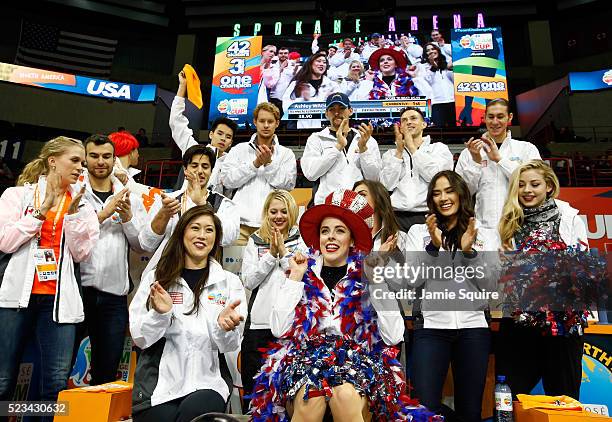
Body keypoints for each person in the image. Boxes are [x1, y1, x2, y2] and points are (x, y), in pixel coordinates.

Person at [249, 189, 437, 421]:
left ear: (351, 239)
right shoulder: (300, 270)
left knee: (345, 394)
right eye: (325, 231)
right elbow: (279, 330)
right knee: (311, 396)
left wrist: (375, 280)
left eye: (340, 231)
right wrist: (294, 279)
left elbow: (394, 335)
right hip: (305, 363)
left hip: (359, 364)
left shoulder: (369, 272)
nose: (331, 237)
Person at [0, 137, 99, 414]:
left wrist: (75, 214)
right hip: (15, 299)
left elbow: (82, 254)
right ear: (52, 161)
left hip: (58, 301)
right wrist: (42, 211)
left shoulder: (82, 203)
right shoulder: (17, 196)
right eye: (75, 160)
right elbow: (5, 241)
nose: (82, 167)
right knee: (2, 380)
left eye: (83, 162)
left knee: (55, 384)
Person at [130, 205, 247, 422]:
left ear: (216, 238)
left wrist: (223, 326)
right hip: (158, 387)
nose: (202, 235)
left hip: (208, 382)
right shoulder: (157, 279)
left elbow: (230, 345)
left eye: (209, 230)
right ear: (182, 232)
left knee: (195, 414)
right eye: (195, 228)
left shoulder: (229, 283)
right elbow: (140, 337)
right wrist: (159, 315)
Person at [405, 170, 495, 422]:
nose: (443, 197)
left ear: (461, 193)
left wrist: (468, 253)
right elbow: (412, 280)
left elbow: (489, 285)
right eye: (436, 193)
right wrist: (434, 249)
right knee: (424, 408)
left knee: (470, 411)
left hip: (474, 329)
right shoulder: (417, 233)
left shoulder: (482, 233)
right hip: (431, 329)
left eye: (448, 190)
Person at [496, 160, 589, 399]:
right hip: (519, 322)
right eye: (521, 185)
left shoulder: (569, 218)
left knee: (564, 398)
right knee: (509, 398)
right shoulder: (508, 222)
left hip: (561, 324)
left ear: (549, 186)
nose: (527, 190)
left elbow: (584, 268)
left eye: (535, 184)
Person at [78, 134, 146, 385]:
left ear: (114, 159)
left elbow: (140, 244)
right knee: (57, 369)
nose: (100, 161)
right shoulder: (75, 191)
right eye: (94, 156)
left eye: (106, 156)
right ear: (85, 159)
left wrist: (127, 218)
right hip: (76, 291)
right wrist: (103, 214)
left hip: (114, 295)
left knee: (106, 374)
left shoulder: (129, 195)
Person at [240, 190, 303, 404]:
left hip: (290, 327)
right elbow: (248, 280)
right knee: (255, 390)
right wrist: (270, 255)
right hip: (258, 326)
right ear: (266, 213)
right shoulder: (254, 240)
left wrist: (284, 253)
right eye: (273, 211)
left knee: (287, 393)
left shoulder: (301, 240)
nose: (278, 216)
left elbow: (302, 278)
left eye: (284, 211)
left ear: (292, 212)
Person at [139, 144, 239, 279]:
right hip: (168, 272)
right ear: (185, 169)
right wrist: (164, 215)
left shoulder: (224, 204)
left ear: (211, 171)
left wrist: (202, 204)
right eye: (194, 165)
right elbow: (146, 244)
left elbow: (228, 238)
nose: (199, 171)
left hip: (205, 276)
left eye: (205, 166)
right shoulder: (168, 200)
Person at [455, 98, 541, 229]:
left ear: (509, 117)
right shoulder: (469, 153)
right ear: (484, 118)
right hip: (484, 228)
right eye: (491, 117)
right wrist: (476, 163)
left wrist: (500, 160)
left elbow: (536, 185)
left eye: (500, 116)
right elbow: (463, 193)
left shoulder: (526, 149)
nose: (495, 122)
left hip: (521, 226)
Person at [220, 102, 296, 245]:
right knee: (234, 268)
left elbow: (288, 185)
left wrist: (268, 164)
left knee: (268, 267)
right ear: (255, 122)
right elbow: (227, 181)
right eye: (262, 121)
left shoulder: (286, 154)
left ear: (277, 123)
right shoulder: (238, 149)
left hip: (271, 227)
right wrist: (255, 165)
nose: (266, 125)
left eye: (270, 121)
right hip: (239, 226)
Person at [301, 92, 381, 205]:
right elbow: (311, 174)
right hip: (327, 205)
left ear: (350, 111)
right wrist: (337, 147)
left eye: (342, 108)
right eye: (332, 109)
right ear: (326, 114)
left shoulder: (367, 140)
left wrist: (363, 149)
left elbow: (374, 179)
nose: (337, 113)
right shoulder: (316, 139)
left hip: (358, 205)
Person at [381, 107, 454, 232]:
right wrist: (399, 151)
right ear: (400, 127)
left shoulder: (439, 149)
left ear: (424, 124)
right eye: (404, 120)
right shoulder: (390, 154)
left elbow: (436, 178)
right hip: (397, 217)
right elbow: (387, 185)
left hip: (429, 215)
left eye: (413, 118)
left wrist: (412, 148)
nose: (408, 122)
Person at [172, 70, 238, 194]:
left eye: (228, 136)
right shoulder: (193, 149)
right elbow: (176, 122)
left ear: (231, 143)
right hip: (186, 207)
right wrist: (182, 87)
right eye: (220, 133)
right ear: (211, 134)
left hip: (212, 211)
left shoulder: (232, 163)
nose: (223, 138)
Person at [282, 52, 339, 129]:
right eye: (318, 61)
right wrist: (303, 100)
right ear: (310, 64)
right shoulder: (296, 84)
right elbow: (286, 108)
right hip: (299, 129)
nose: (322, 64)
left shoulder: (332, 85)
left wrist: (329, 101)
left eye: (324, 62)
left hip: (325, 128)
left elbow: (339, 110)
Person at [353, 179, 408, 251]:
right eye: (353, 196)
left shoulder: (400, 238)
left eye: (362, 195)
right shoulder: (348, 239)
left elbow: (409, 262)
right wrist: (380, 256)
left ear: (378, 199)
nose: (355, 200)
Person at [354, 47, 421, 100]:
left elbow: (428, 99)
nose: (385, 62)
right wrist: (368, 81)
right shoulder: (371, 81)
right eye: (382, 60)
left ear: (396, 64)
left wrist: (416, 78)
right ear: (379, 66)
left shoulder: (408, 80)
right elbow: (360, 101)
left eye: (389, 59)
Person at [419, 43, 455, 127]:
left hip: (452, 100)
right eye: (428, 51)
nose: (431, 51)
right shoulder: (423, 67)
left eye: (433, 49)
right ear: (425, 54)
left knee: (455, 128)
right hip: (436, 103)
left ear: (437, 50)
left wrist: (449, 68)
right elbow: (428, 81)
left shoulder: (447, 63)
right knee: (440, 129)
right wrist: (433, 67)